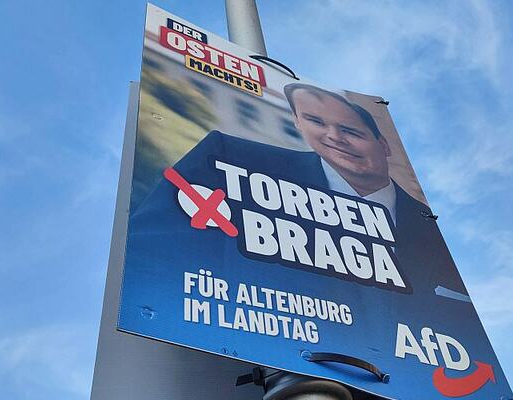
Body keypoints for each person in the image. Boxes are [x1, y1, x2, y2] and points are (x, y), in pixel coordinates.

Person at [127, 83, 468, 297]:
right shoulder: (227, 160)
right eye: (316, 123)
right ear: (300, 126)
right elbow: (152, 252)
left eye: (350, 130)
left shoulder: (429, 234)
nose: (334, 137)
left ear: (384, 146)